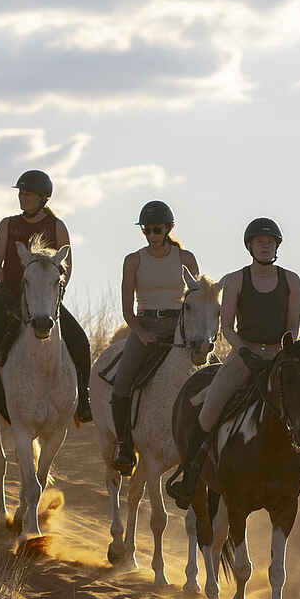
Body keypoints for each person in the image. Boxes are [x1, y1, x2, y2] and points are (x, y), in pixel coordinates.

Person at [166, 217, 300, 520]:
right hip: (244, 354)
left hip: (281, 355)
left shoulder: (291, 279)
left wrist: (283, 354)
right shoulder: (237, 279)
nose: (265, 245)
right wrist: (243, 352)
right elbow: (226, 327)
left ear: (277, 245)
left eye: (270, 241)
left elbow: (292, 326)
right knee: (209, 409)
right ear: (250, 246)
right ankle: (188, 478)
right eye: (259, 241)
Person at [0, 169, 95, 427]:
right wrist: (2, 287)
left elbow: (67, 267)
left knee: (81, 342)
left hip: (44, 299)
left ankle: (84, 400)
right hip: (9, 296)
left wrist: (55, 294)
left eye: (27, 194)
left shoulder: (57, 226)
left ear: (43, 197)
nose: (22, 197)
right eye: (21, 193)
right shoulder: (7, 224)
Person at [108, 199, 201, 475]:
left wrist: (188, 332)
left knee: (212, 375)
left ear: (169, 228)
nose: (151, 236)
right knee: (121, 384)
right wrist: (140, 333)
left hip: (180, 327)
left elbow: (196, 301)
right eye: (146, 231)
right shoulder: (133, 261)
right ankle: (125, 446)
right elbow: (127, 309)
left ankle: (208, 443)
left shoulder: (186, 258)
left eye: (157, 230)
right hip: (146, 325)